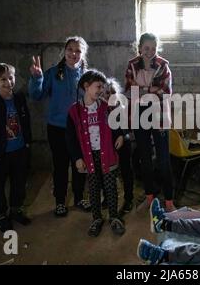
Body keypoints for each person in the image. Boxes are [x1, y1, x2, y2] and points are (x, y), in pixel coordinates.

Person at [28, 36, 91, 217]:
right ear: (64, 51)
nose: (73, 53)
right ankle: (60, 202)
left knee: (80, 164)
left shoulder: (88, 76)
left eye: (78, 50)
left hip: (81, 129)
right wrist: (37, 78)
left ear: (83, 54)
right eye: (70, 49)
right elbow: (36, 95)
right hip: (57, 127)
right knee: (60, 165)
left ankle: (79, 198)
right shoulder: (53, 73)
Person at [66, 70, 126, 237]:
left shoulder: (106, 107)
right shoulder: (74, 111)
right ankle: (97, 219)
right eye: (98, 86)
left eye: (102, 87)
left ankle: (114, 217)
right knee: (93, 188)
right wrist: (77, 157)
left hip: (106, 154)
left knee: (110, 186)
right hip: (89, 156)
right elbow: (70, 138)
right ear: (86, 86)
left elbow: (115, 124)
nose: (101, 90)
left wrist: (119, 134)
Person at [124, 32, 175, 212]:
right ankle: (149, 197)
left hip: (159, 113)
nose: (150, 51)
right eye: (146, 48)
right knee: (144, 157)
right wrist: (150, 91)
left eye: (153, 48)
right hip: (139, 113)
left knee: (163, 160)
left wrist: (142, 91)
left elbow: (165, 91)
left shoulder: (163, 65)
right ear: (139, 48)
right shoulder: (132, 65)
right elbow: (130, 91)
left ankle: (169, 201)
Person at [0, 63, 32, 232]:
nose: (8, 82)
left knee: (19, 183)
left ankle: (16, 210)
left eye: (11, 77)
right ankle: (1, 215)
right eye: (3, 79)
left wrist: (27, 142)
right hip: (1, 153)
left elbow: (26, 121)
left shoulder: (19, 98)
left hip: (19, 150)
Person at [102, 77, 134, 216]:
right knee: (107, 172)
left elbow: (128, 128)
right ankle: (108, 199)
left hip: (123, 143)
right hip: (106, 144)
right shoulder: (99, 109)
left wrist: (122, 135)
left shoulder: (122, 107)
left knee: (126, 171)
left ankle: (128, 200)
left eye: (111, 92)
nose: (108, 95)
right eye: (105, 92)